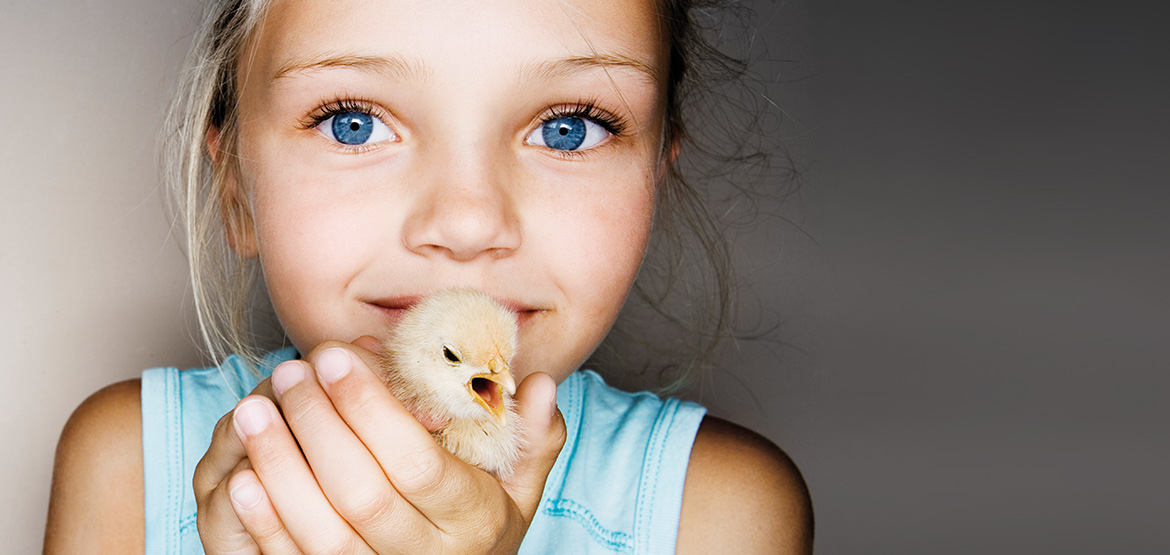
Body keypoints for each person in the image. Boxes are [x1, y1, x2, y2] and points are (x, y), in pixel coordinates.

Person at [44, 0, 813, 552]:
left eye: (567, 127)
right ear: (236, 191)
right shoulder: (128, 466)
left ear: (656, 184)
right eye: (355, 121)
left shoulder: (717, 513)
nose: (468, 219)